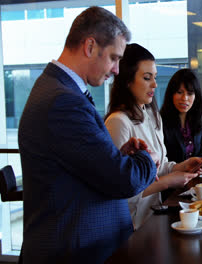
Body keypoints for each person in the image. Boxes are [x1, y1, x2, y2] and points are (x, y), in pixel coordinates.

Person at [18, 7, 158, 263]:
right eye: (114, 58)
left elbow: (79, 163)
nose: (117, 69)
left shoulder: (60, 91)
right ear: (90, 46)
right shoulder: (62, 101)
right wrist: (147, 159)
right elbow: (123, 180)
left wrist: (117, 155)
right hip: (74, 253)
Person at [104, 43, 202, 230]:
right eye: (146, 78)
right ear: (127, 80)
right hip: (130, 225)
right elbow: (122, 192)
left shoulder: (151, 115)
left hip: (153, 217)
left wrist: (181, 166)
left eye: (155, 78)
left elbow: (159, 168)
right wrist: (168, 182)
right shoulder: (118, 122)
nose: (154, 84)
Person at [160, 68, 202, 163]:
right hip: (173, 176)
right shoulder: (160, 122)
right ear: (171, 94)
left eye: (190, 93)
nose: (184, 98)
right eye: (179, 92)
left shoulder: (195, 120)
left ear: (196, 97)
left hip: (194, 176)